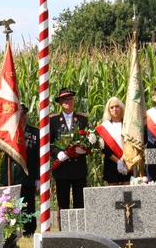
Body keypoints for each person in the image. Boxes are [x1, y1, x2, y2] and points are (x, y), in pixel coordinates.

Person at [50, 88, 90, 230]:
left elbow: (90, 140)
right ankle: (64, 230)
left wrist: (84, 150)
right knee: (63, 202)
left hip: (78, 167)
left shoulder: (82, 119)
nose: (68, 102)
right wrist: (57, 153)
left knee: (80, 201)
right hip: (62, 168)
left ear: (74, 101)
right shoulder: (53, 120)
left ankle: (80, 228)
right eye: (65, 100)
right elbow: (48, 143)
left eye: (70, 99)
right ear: (60, 102)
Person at [0, 104, 39, 235]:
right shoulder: (6, 131)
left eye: (24, 115)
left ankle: (28, 230)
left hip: (28, 175)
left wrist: (38, 177)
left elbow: (38, 156)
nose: (22, 118)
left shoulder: (34, 133)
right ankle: (10, 229)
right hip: (10, 174)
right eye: (19, 115)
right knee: (10, 205)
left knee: (28, 204)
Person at [95, 97, 129, 185]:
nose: (115, 109)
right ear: (108, 110)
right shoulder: (105, 127)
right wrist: (118, 161)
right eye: (112, 107)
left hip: (127, 162)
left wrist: (124, 159)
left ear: (121, 108)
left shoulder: (128, 125)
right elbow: (104, 148)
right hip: (111, 163)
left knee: (129, 194)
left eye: (117, 106)